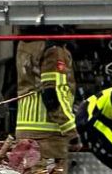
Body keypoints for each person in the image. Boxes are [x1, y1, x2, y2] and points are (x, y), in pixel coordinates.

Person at [14, 40, 78, 174]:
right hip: (48, 136)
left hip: (25, 131)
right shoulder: (53, 50)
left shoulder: (25, 44)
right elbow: (52, 95)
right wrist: (72, 131)